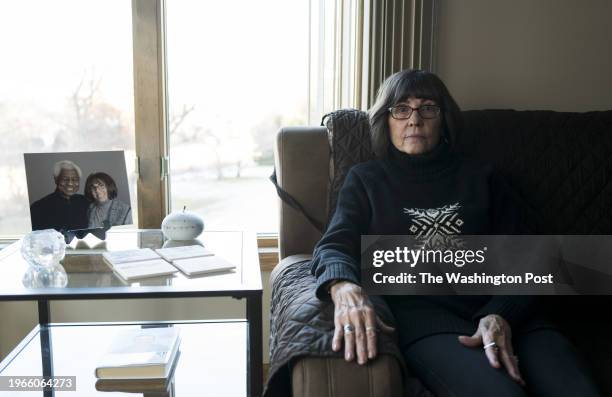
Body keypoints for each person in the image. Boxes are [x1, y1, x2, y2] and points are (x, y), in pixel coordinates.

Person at [311, 69, 601, 396]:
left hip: (515, 316)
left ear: (444, 119)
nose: (415, 120)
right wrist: (343, 285)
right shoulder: (365, 180)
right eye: (401, 109)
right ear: (386, 121)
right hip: (429, 322)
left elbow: (534, 257)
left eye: (428, 108)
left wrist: (500, 314)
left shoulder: (483, 177)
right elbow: (334, 245)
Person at [30, 160, 89, 231]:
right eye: (65, 179)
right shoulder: (38, 208)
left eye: (75, 179)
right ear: (56, 179)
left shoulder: (86, 202)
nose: (70, 183)